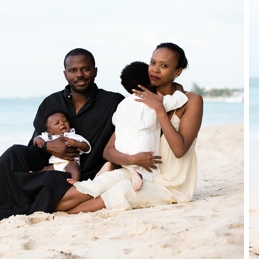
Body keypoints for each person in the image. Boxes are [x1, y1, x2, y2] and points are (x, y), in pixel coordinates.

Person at [0, 48, 123, 223]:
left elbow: (126, 136)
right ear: (65, 74)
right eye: (73, 70)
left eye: (85, 69)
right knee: (14, 152)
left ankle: (8, 207)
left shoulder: (113, 102)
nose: (79, 74)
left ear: (95, 71)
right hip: (50, 163)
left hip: (82, 172)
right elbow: (36, 141)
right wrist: (48, 147)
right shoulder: (51, 102)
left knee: (49, 180)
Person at [53, 42, 204, 214]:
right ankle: (41, 207)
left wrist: (159, 110)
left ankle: (67, 214)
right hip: (137, 170)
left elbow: (179, 150)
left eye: (164, 65)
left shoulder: (191, 100)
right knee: (97, 185)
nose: (155, 69)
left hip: (170, 184)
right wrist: (132, 159)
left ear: (177, 72)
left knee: (121, 190)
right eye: (152, 63)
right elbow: (108, 151)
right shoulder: (138, 101)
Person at [71, 61, 188, 193]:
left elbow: (116, 120)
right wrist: (178, 87)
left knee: (123, 165)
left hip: (122, 150)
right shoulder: (154, 101)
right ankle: (137, 174)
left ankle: (112, 164)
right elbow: (179, 100)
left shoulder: (123, 104)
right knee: (154, 173)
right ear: (150, 82)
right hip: (142, 151)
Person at [33, 111, 91, 182]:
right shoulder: (49, 137)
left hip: (71, 161)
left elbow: (87, 147)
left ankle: (75, 181)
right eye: (57, 123)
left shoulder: (72, 135)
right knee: (46, 169)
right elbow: (36, 139)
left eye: (65, 121)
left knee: (74, 169)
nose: (62, 123)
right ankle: (34, 176)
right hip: (56, 163)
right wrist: (38, 140)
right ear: (50, 131)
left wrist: (77, 143)